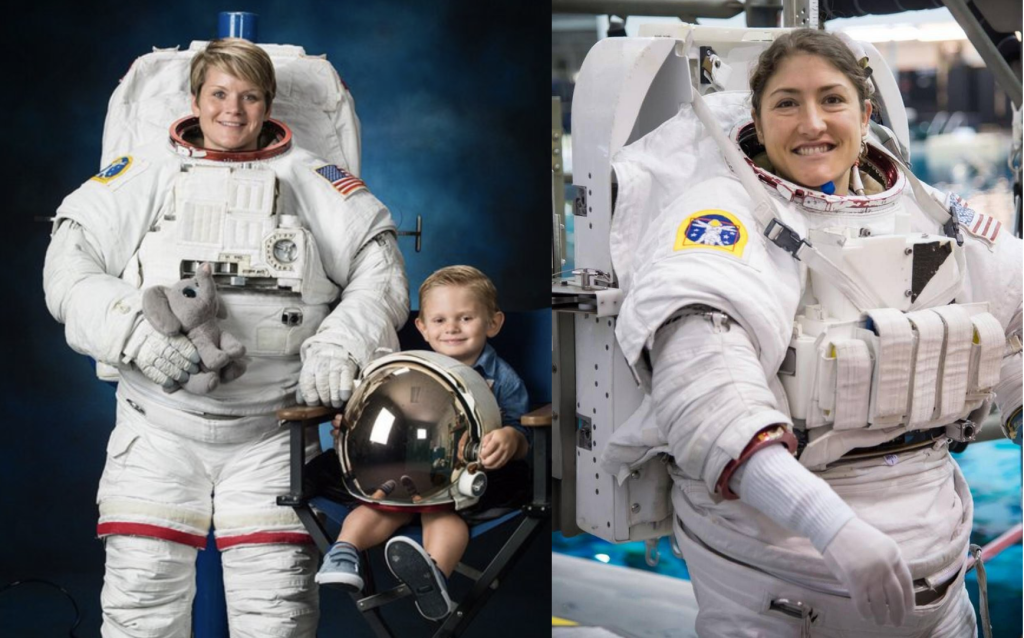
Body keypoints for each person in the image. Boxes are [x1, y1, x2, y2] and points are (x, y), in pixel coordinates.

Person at [609, 28, 1022, 636]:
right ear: (756, 116)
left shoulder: (924, 208)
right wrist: (832, 527)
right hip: (784, 575)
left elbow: (1012, 326)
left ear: (865, 112)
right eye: (786, 103)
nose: (812, 123)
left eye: (832, 99)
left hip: (936, 571)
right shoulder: (722, 216)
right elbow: (706, 392)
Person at [42, 38, 408, 637]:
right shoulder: (145, 172)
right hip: (157, 426)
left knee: (278, 612)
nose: (231, 110)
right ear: (195, 98)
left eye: (249, 96)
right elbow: (69, 264)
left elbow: (379, 268)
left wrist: (343, 342)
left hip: (273, 436)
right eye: (218, 94)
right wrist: (132, 333)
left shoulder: (313, 177)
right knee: (141, 600)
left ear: (268, 104)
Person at [314, 265, 531, 621]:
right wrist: (354, 426)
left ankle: (433, 576)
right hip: (400, 468)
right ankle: (344, 552)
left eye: (465, 318)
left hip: (462, 479)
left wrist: (512, 439)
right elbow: (379, 411)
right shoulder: (404, 370)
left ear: (493, 323)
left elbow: (521, 430)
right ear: (423, 328)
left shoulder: (501, 378)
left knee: (444, 518)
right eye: (440, 319)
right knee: (376, 504)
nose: (452, 328)